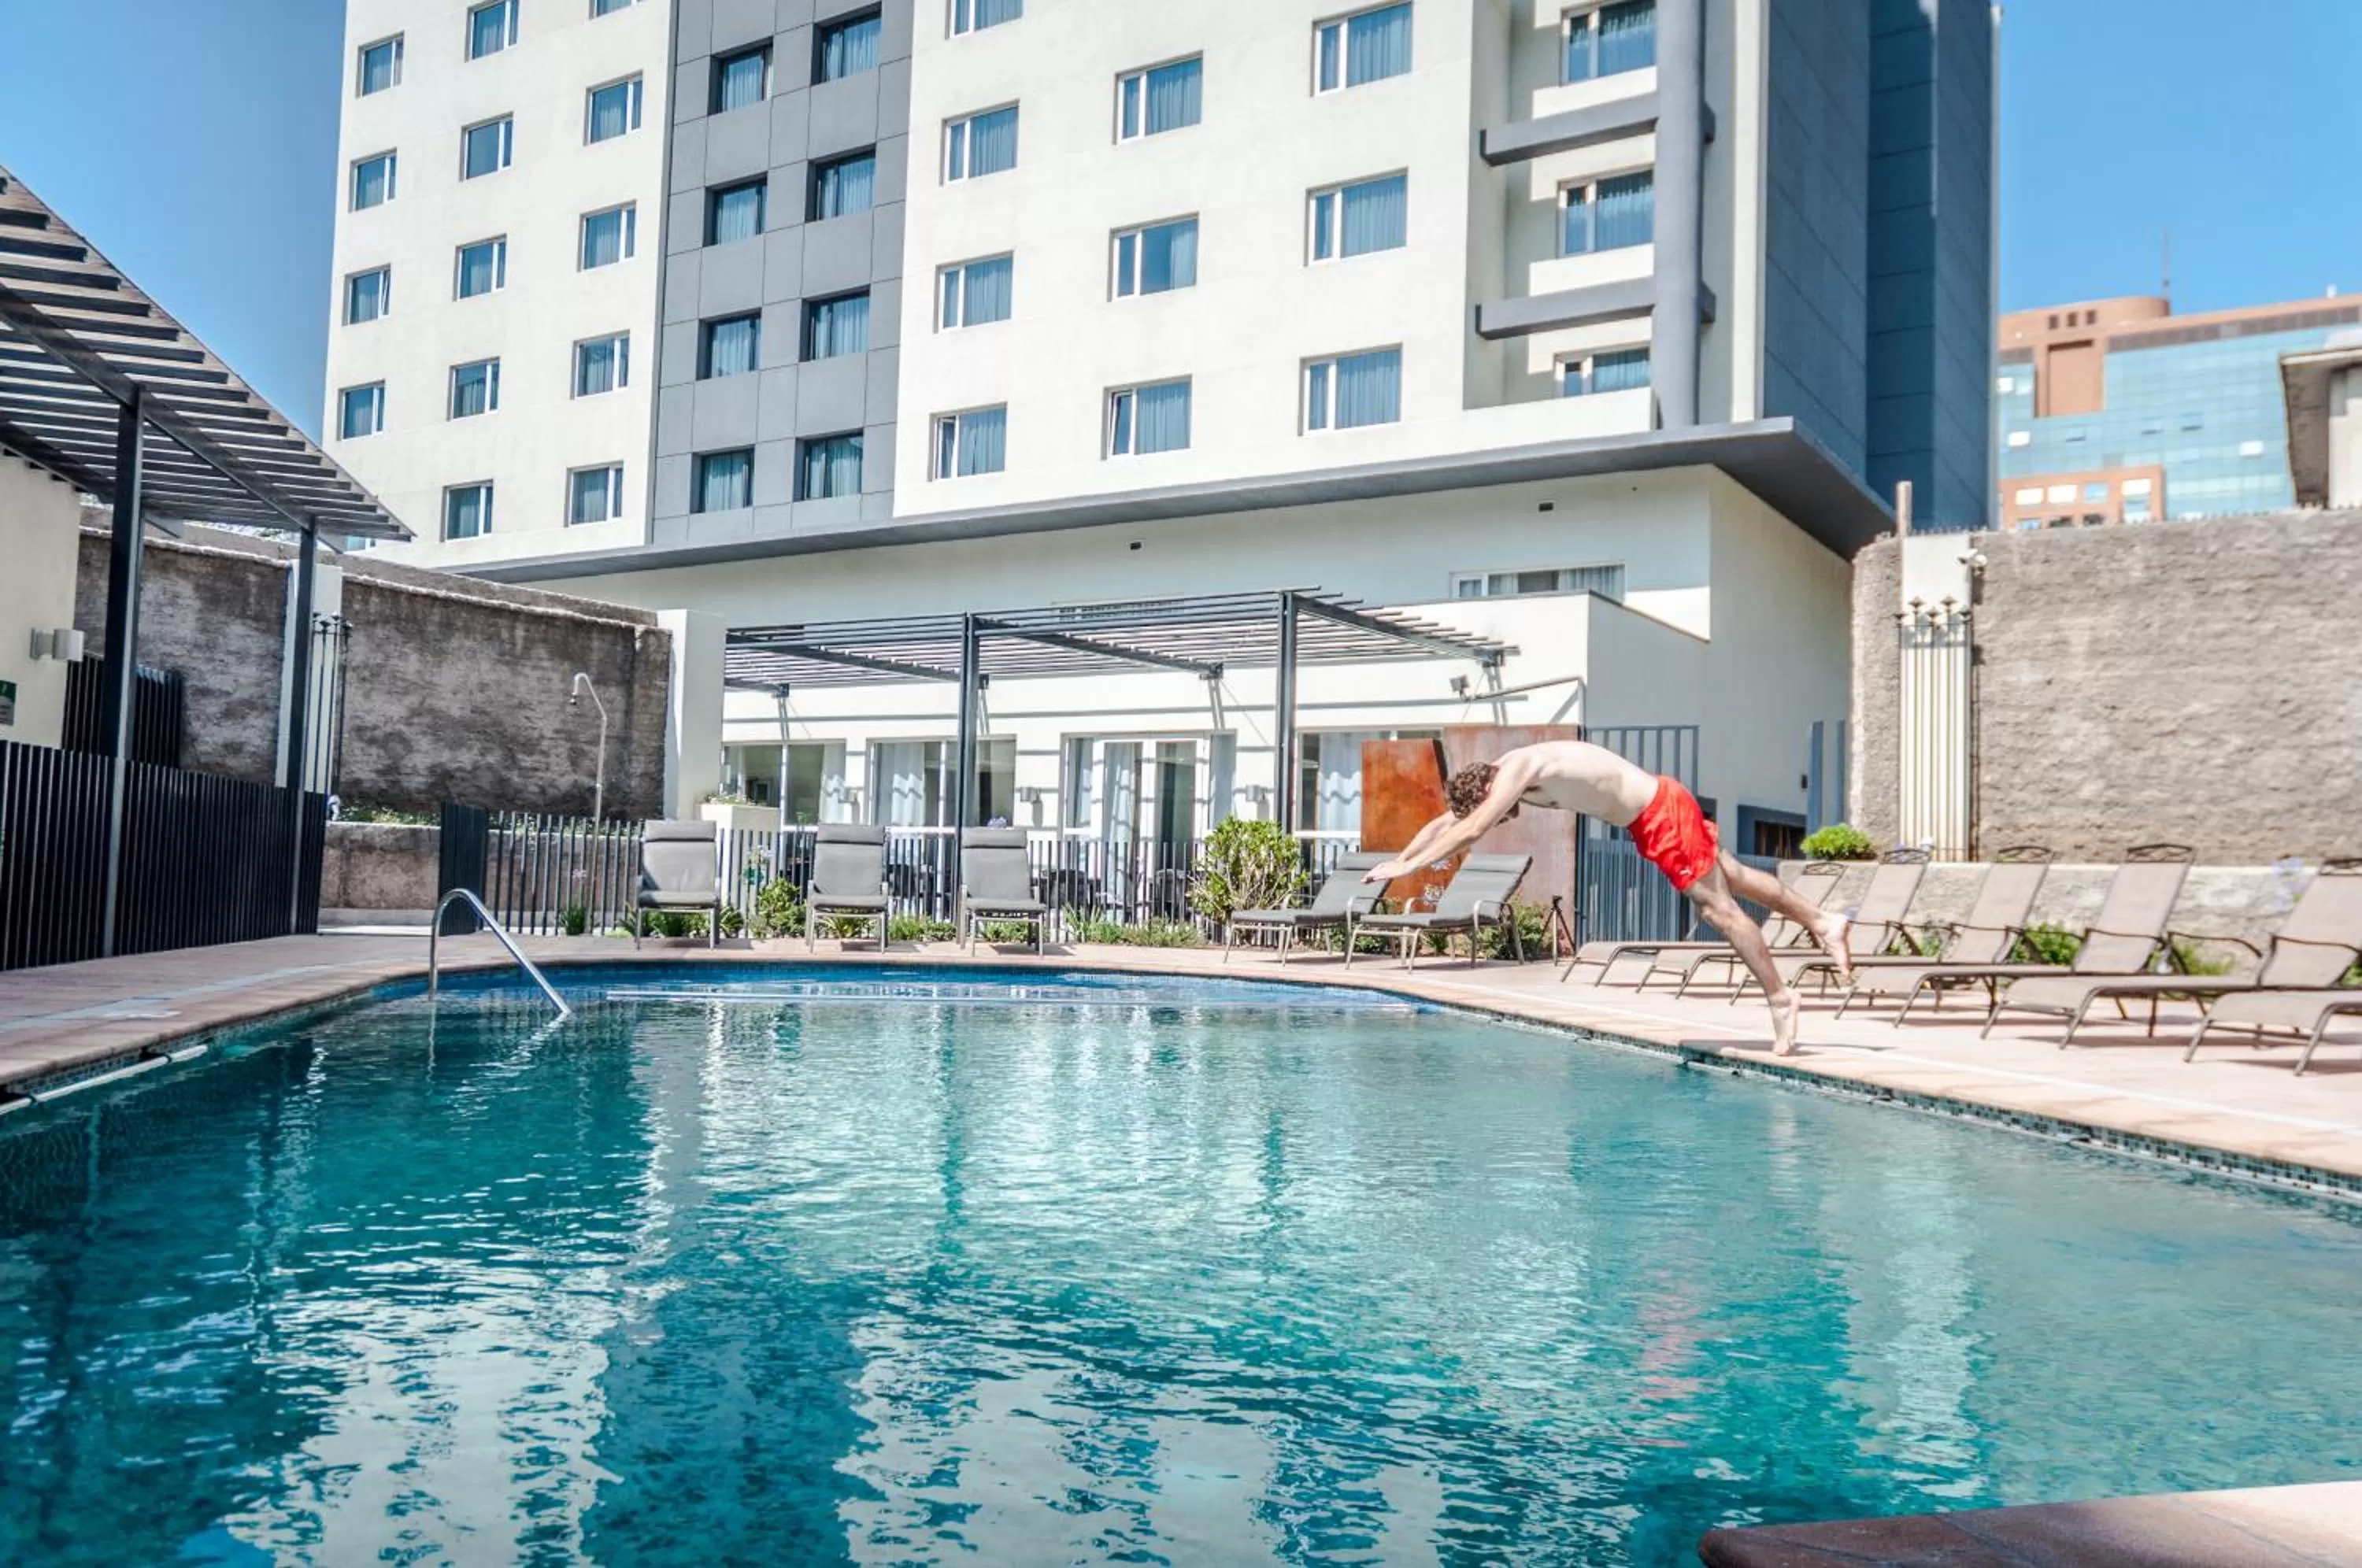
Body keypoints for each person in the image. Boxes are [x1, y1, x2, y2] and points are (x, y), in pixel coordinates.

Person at [1363, 741, 1849, 1056]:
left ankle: (1782, 999)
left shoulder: (1520, 768)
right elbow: (1450, 822)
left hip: (1660, 814)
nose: (1505, 813)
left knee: (1716, 908)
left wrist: (1412, 867)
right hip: (1655, 809)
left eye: (1499, 806)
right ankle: (1824, 922)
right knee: (1735, 875)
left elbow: (1473, 826)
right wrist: (1398, 861)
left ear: (1489, 786)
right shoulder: (1505, 776)